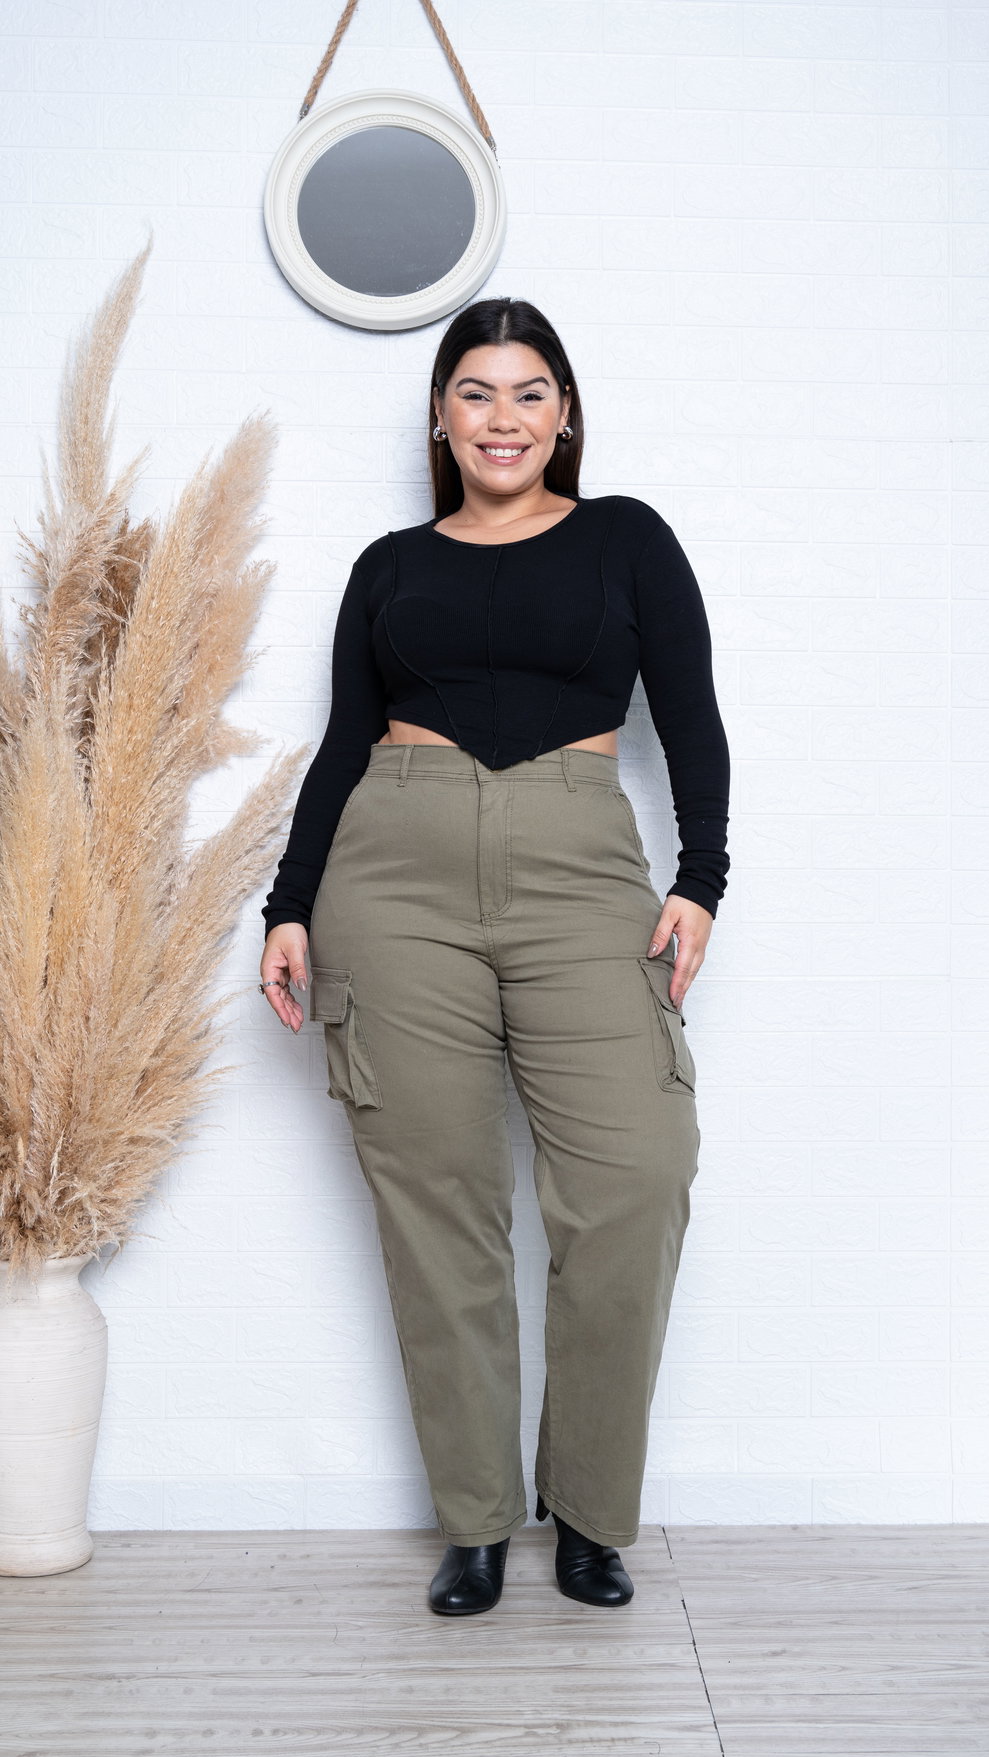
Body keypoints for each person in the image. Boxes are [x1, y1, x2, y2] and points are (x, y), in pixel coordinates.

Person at [258, 297, 730, 1617]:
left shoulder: (628, 539)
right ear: (440, 416)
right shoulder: (390, 566)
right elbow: (343, 740)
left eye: (529, 393)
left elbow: (692, 716)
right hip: (392, 874)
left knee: (637, 1174)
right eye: (477, 392)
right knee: (440, 1204)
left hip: (579, 872)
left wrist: (701, 880)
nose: (503, 418)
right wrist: (288, 904)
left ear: (564, 415)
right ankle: (472, 1520)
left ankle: (588, 1514)